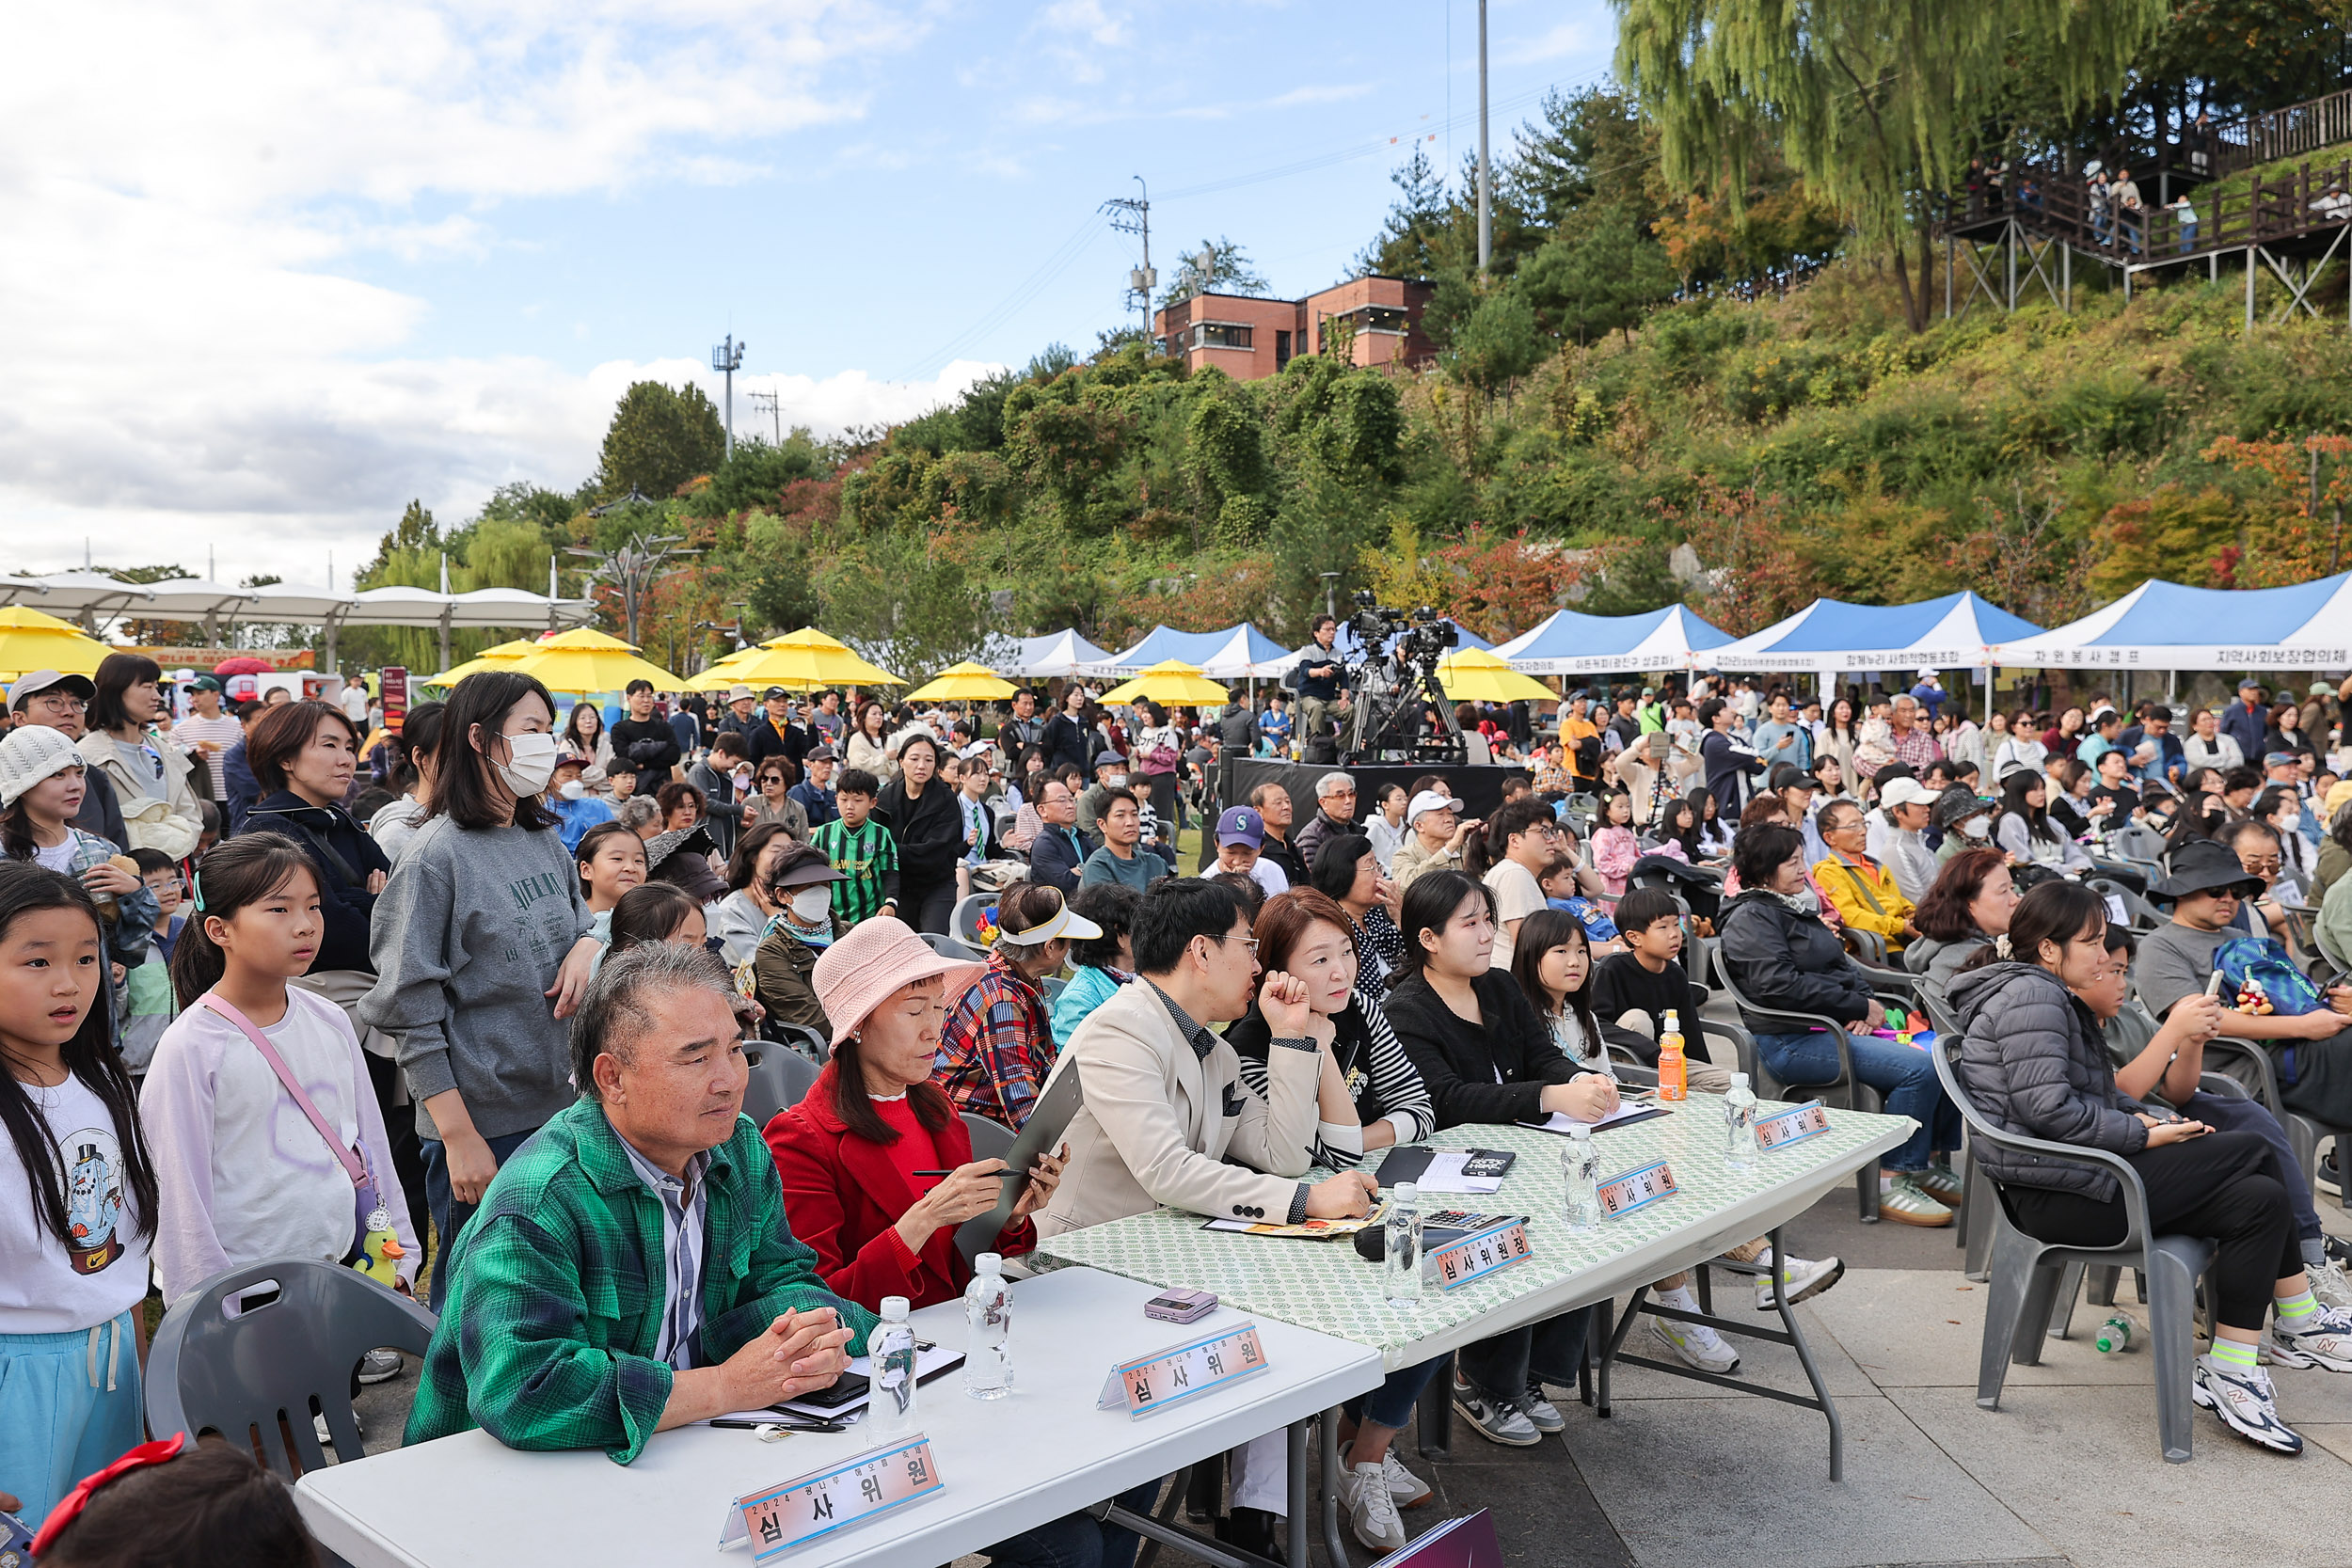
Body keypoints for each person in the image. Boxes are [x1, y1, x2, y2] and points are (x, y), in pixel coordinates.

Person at [404, 943, 869, 1458]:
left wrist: (820, 1337)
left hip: (681, 1446)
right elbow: (525, 1391)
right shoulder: (539, 1200)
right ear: (612, 1078)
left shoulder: (736, 1147)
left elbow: (782, 1277)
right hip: (506, 1477)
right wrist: (726, 1385)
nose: (730, 1081)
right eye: (695, 1057)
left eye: (735, 1050)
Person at [1948, 880, 2352, 1455]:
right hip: (2058, 1192)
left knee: (2259, 1198)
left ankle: (2233, 1367)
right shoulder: (2031, 999)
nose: (2103, 954)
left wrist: (2152, 1121)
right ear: (2048, 950)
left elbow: (2097, 1097)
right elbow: (2049, 1111)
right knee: (2252, 1146)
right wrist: (2145, 1132)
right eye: (2090, 943)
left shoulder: (2047, 995)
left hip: (2084, 1175)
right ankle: (2300, 1319)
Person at [359, 671, 600, 1310]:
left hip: (560, 1106)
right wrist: (458, 1134)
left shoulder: (541, 836)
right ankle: (454, 1412)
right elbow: (410, 1009)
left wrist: (586, 944)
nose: (547, 746)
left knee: (551, 1287)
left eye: (550, 731)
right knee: (485, 1298)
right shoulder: (434, 857)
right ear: (479, 738)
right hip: (482, 1125)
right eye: (532, 730)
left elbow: (580, 923)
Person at [1224, 887, 1443, 1552]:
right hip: (1275, 1230)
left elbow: (1420, 1110)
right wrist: (1317, 1058)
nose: (1341, 972)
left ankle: (1364, 1450)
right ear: (1277, 971)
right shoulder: (1248, 1041)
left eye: (1346, 951)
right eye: (1319, 960)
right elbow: (1312, 1157)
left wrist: (1352, 1135)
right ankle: (1273, 1497)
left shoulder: (1363, 1010)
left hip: (1352, 1203)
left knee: (1431, 1278)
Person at [140, 832, 421, 1313]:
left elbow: (369, 1146)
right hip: (249, 1301)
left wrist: (401, 1256)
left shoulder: (329, 1019)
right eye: (279, 910)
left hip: (340, 1277)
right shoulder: (191, 1047)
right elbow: (179, 1198)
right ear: (219, 930)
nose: (306, 926)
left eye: (313, 907)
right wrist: (211, 1310)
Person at [1382, 870, 1606, 1446]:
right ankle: (1482, 1382)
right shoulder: (1407, 1007)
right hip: (1452, 1170)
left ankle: (1530, 1376)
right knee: (1521, 1232)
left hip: (1525, 1150)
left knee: (1581, 1225)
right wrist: (1549, 1095)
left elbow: (1543, 1055)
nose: (1487, 935)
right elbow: (1446, 1099)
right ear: (1428, 939)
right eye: (1471, 924)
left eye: (1488, 920)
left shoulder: (1502, 986)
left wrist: (1579, 1080)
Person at [1036, 877, 1374, 1240]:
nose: (1258, 967)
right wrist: (1309, 1199)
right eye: (1248, 946)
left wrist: (1291, 1037)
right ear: (1202, 952)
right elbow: (1167, 1169)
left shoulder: (1216, 1052)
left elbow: (1285, 1157)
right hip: (1080, 1252)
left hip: (1159, 1249)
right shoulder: (1119, 1031)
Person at [0, 867, 159, 1524]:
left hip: (114, 1357)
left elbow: (126, 1264)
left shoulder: (105, 1084)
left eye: (86, 958)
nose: (69, 982)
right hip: (20, 1378)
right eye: (37, 960)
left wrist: (143, 1368)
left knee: (112, 1537)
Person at [2083, 920, 2350, 1307]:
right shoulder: (2080, 1027)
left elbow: (2176, 1090)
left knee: (2251, 1119)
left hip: (2165, 1113)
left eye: (2126, 971)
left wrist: (2192, 1042)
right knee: (2249, 1170)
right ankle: (2275, 1286)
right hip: (2131, 1136)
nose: (2124, 983)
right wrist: (2172, 1031)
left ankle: (2308, 1252)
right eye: (2113, 972)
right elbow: (2119, 1093)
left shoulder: (2127, 1019)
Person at [1721, 822, 1961, 1225]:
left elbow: (1838, 965)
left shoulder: (1791, 906)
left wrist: (1861, 1005)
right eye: (1792, 863)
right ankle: (1895, 1179)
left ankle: (1929, 1162)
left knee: (1946, 1053)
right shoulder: (1751, 917)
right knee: (1918, 1069)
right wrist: (1852, 1008)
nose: (1803, 869)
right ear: (1764, 871)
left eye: (1802, 859)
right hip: (1792, 1040)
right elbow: (1776, 985)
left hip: (1829, 1025)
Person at [934, 884, 1100, 1129]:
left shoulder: (1016, 973)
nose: (1071, 947)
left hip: (986, 1117)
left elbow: (1042, 1068)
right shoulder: (1002, 1000)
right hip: (973, 1130)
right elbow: (1023, 1109)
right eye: (1068, 941)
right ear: (1050, 947)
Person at [0, 726, 157, 974]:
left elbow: (130, 952)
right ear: (22, 785)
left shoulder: (100, 850)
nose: (75, 785)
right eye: (58, 775)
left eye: (79, 773)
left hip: (90, 1002)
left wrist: (135, 893)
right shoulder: (4, 856)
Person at [1589, 888, 1731, 1091]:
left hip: (1668, 1061)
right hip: (1625, 1062)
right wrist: (1645, 1047)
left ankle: (1670, 1100)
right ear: (1635, 937)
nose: (1675, 934)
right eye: (1662, 927)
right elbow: (1594, 1024)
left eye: (1676, 924)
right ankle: (1646, 1097)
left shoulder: (1676, 974)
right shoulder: (1614, 969)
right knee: (1638, 1018)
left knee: (1728, 1081)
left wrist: (1703, 1067)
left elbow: (1690, 1031)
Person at [78, 655, 202, 860]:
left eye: (156, 687)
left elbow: (191, 814)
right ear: (116, 690)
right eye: (147, 687)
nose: (157, 696)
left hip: (171, 876)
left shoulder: (164, 750)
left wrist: (176, 848)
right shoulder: (88, 756)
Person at [742, 845, 845, 1042]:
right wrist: (861, 1034)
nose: (821, 893)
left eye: (824, 885)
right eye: (810, 887)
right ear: (783, 895)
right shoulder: (772, 950)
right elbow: (806, 1014)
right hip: (824, 1044)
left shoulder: (847, 932)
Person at [1903, 847, 2019, 995]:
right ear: (1969, 903)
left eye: (2012, 889)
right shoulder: (1968, 967)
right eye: (2003, 891)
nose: (2015, 900)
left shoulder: (1961, 948)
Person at [875, 735, 959, 933]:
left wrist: (892, 851)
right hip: (899, 884)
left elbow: (935, 851)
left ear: (936, 765)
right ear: (901, 761)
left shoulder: (947, 800)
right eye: (914, 759)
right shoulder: (884, 799)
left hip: (936, 883)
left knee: (933, 942)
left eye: (929, 760)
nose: (921, 765)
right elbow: (875, 843)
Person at [1311, 832, 1407, 1003]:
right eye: (1371, 868)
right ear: (1342, 874)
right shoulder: (1331, 927)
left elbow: (1409, 959)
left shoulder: (1373, 916)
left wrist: (1400, 917)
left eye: (1378, 867)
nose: (1380, 877)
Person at [1468, 797, 1562, 972]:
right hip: (1514, 985)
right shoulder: (1514, 874)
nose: (1552, 840)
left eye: (1552, 832)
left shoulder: (1512, 872)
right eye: (1543, 832)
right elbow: (1532, 945)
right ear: (1515, 840)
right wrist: (1614, 949)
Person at [1814, 797, 1916, 953]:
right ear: (1829, 837)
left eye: (1863, 823)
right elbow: (1851, 916)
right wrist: (1900, 926)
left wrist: (1914, 915)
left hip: (1906, 941)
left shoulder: (1877, 866)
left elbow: (1897, 901)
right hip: (1880, 948)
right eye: (1853, 826)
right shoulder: (1829, 872)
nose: (1862, 831)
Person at [1054, 881, 1141, 1045]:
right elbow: (1072, 1064)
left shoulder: (1143, 977)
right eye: (1140, 929)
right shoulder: (1080, 1000)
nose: (1148, 937)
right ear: (1119, 935)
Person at [809, 768, 899, 926]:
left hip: (870, 917)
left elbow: (890, 872)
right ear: (836, 799)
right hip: (830, 919)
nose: (849, 806)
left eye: (857, 800)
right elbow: (810, 870)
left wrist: (890, 902)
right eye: (844, 800)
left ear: (872, 802)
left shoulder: (881, 834)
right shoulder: (824, 833)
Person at [1994, 770, 2090, 876]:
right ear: (2020, 792)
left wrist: (2082, 865)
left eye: (2042, 788)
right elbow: (2024, 862)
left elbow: (2071, 850)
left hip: (2068, 876)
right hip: (2038, 881)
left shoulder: (2051, 822)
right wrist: (2066, 869)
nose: (2041, 794)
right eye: (2034, 789)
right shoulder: (2011, 822)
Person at [1865, 776, 1939, 905]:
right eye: (1919, 805)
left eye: (1926, 804)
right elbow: (1920, 903)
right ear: (1898, 811)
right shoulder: (1896, 851)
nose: (1927, 809)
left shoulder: (1920, 844)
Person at [1392, 788, 1481, 891]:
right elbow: (1408, 884)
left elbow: (1480, 881)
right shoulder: (1404, 855)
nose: (1449, 819)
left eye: (1450, 813)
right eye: (1440, 814)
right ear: (1419, 826)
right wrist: (1450, 848)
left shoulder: (1461, 850)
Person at [606, 680, 679, 799]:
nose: (646, 700)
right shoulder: (620, 729)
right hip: (634, 792)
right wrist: (659, 752)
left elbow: (674, 755)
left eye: (649, 696)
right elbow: (624, 756)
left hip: (662, 790)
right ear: (629, 698)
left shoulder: (663, 726)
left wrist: (644, 765)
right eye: (641, 696)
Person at [685, 733, 750, 859]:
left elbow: (727, 806)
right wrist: (739, 810)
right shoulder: (698, 771)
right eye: (734, 762)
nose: (733, 767)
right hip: (705, 848)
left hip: (726, 846)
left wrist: (739, 821)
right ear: (721, 753)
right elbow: (706, 803)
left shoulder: (726, 776)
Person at [1026, 778, 1092, 897]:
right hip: (1061, 911)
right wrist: (1089, 871)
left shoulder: (1081, 836)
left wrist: (1079, 870)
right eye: (1062, 801)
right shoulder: (1044, 844)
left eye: (1072, 800)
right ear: (1042, 810)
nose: (1070, 806)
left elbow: (1105, 870)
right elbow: (1068, 884)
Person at [1080, 793, 1158, 892]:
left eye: (1134, 815)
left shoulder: (1156, 862)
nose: (1130, 822)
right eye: (1120, 815)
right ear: (1102, 825)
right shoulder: (1098, 867)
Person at [1211, 804, 1288, 898]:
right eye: (1231, 853)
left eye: (1247, 853)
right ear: (1217, 844)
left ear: (1261, 848)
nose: (1237, 861)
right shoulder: (1205, 883)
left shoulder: (1273, 871)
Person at [1294, 772, 1358, 873]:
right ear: (1323, 802)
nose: (1348, 801)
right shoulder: (1312, 836)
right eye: (1340, 795)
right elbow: (1317, 880)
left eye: (1351, 794)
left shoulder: (1355, 830)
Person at [844, 699, 898, 784]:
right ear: (864, 717)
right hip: (865, 785)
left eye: (881, 714)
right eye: (874, 714)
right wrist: (885, 758)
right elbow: (861, 765)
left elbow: (894, 765)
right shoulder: (857, 738)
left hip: (888, 785)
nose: (878, 717)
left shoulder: (888, 738)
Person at [788, 745, 839, 832]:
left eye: (830, 763)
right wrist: (823, 831)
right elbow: (792, 828)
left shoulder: (833, 796)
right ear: (811, 765)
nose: (828, 766)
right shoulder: (797, 793)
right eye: (823, 762)